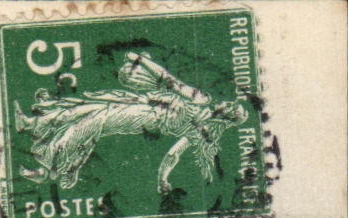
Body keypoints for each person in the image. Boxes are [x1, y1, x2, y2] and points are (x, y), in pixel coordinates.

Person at [14, 51, 248, 194]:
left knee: (93, 120)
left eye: (229, 108)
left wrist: (162, 178)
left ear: (227, 117)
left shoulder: (202, 125)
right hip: (140, 100)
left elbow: (173, 154)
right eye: (229, 103)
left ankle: (48, 167)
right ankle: (31, 125)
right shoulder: (202, 105)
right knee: (89, 106)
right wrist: (143, 63)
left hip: (144, 117)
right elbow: (170, 83)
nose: (225, 104)